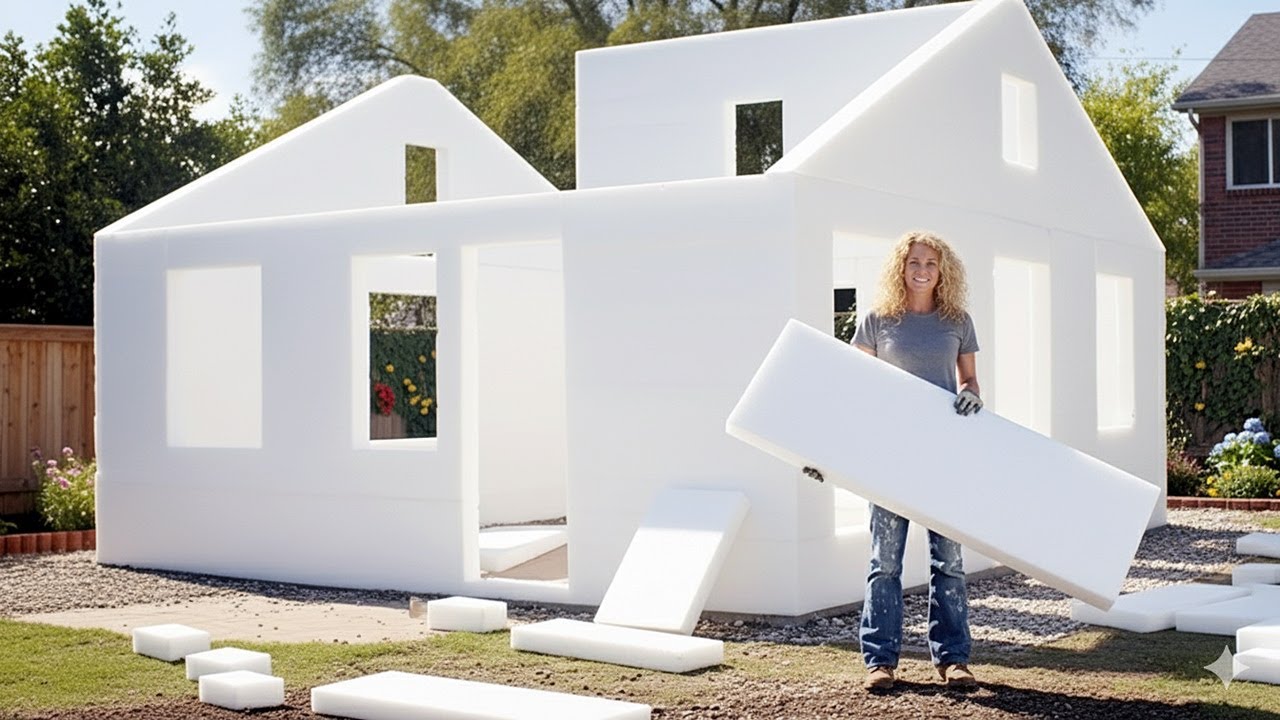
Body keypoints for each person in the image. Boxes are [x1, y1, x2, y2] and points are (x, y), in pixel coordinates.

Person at [807, 230, 982, 691]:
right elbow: (853, 388)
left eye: (930, 263)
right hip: (889, 459)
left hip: (943, 459)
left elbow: (969, 380)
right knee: (885, 562)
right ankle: (880, 661)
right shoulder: (878, 320)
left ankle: (953, 659)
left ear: (942, 271)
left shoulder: (957, 320)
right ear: (900, 269)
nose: (922, 270)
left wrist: (970, 396)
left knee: (949, 561)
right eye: (914, 262)